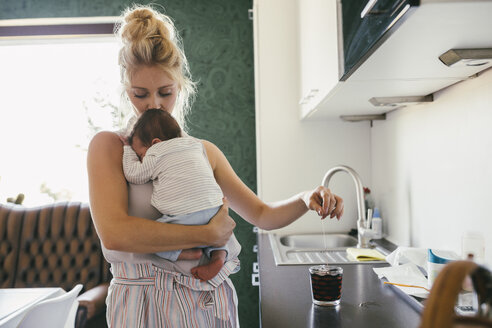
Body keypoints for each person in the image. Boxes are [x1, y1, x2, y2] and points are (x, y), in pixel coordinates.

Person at [87, 4, 344, 327]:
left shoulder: (204, 152)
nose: (154, 104)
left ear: (180, 87)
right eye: (141, 94)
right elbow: (115, 234)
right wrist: (207, 232)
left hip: (208, 303)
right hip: (142, 305)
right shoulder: (110, 147)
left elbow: (262, 215)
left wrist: (306, 198)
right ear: (127, 92)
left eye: (165, 92)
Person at [122, 108, 231, 281]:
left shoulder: (157, 152)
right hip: (214, 208)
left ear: (155, 142)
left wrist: (128, 148)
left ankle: (186, 253)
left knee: (152, 239)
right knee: (223, 236)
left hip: (185, 214)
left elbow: (134, 174)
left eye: (141, 154)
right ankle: (219, 257)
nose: (142, 158)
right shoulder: (195, 145)